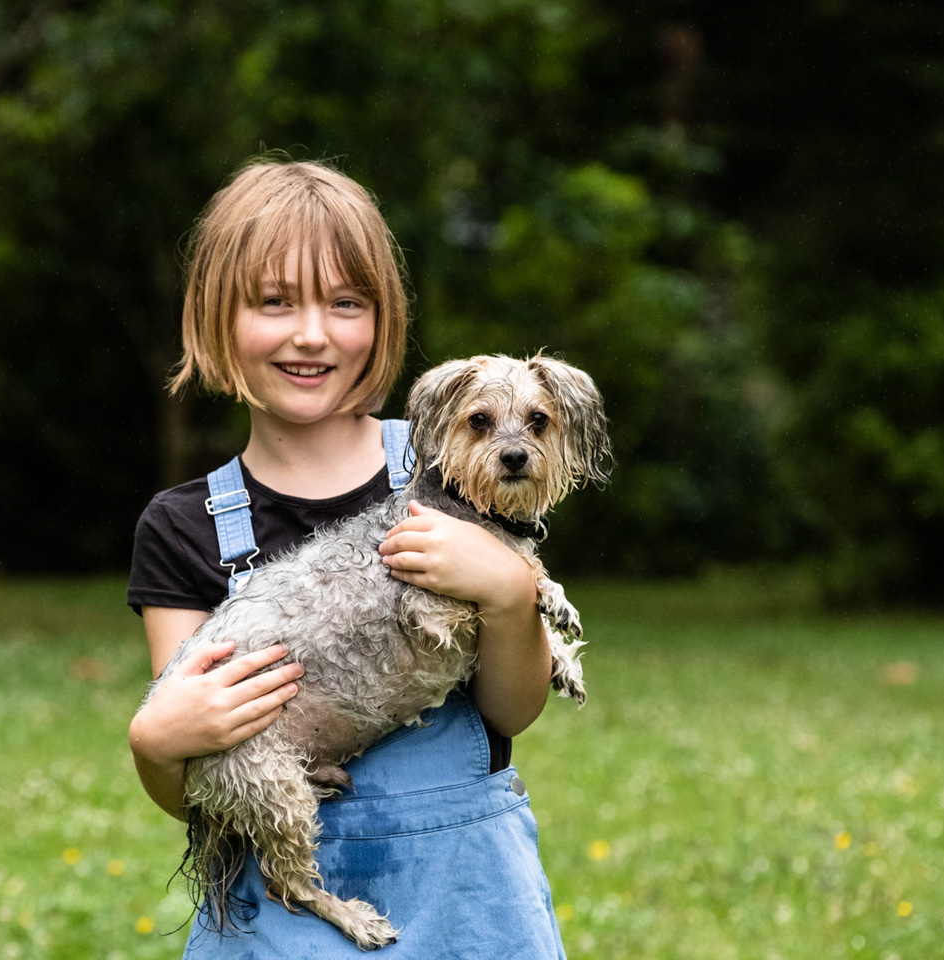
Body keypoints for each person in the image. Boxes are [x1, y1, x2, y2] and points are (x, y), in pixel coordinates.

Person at [126, 159, 566, 957]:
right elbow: (202, 792)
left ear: (383, 318)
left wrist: (508, 593)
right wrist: (158, 744)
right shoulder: (182, 526)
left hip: (467, 902)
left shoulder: (455, 462)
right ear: (216, 318)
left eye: (345, 303)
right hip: (284, 922)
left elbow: (510, 712)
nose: (312, 333)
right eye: (274, 302)